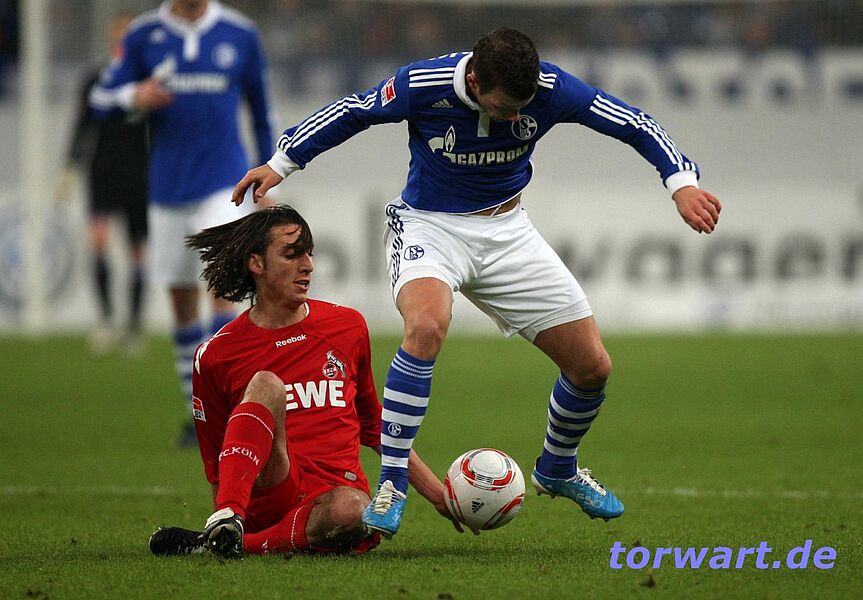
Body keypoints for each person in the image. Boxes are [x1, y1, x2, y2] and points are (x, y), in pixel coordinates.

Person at [232, 27, 722, 539]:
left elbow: (633, 121)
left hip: (509, 232)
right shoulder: (423, 84)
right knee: (426, 327)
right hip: (430, 228)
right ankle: (393, 482)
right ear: (474, 82)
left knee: (592, 366)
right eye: (504, 108)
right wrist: (282, 162)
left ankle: (558, 466)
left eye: (521, 109)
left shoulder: (550, 88)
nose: (514, 119)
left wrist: (681, 183)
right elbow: (353, 111)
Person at [147, 205, 458, 558]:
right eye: (292, 254)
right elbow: (219, 461)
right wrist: (227, 508)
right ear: (257, 264)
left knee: (353, 509)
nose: (307, 265)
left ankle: (226, 545)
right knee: (266, 385)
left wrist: (438, 496)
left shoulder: (347, 326)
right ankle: (228, 523)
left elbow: (375, 426)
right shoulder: (216, 354)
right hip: (272, 491)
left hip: (338, 499)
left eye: (309, 253)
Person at [89, 0, 276, 447]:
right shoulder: (142, 34)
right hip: (167, 187)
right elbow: (99, 100)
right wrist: (134, 96)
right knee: (181, 301)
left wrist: (270, 169)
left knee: (222, 285)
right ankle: (201, 415)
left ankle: (230, 408)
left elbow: (261, 108)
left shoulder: (239, 33)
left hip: (225, 181)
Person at [60, 13, 149, 355]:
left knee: (138, 251)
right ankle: (106, 319)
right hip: (102, 172)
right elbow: (81, 126)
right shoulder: (95, 77)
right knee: (98, 241)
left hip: (140, 174)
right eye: (119, 34)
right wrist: (69, 167)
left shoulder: (149, 80)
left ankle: (134, 326)